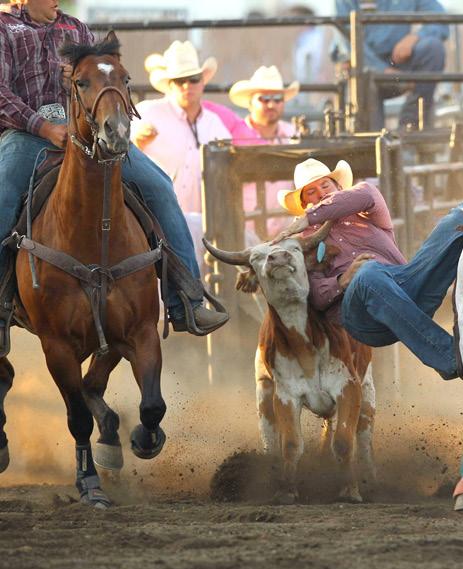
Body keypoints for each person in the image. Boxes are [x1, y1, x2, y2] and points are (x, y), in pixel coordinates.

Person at [0, 0, 227, 351]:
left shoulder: (77, 29)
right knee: (2, 194)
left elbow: (100, 80)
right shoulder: (4, 29)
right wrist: (44, 127)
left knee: (158, 186)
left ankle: (187, 300)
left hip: (89, 133)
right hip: (26, 136)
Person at [275, 158, 463, 379]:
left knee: (457, 219)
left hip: (404, 288)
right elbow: (316, 296)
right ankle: (451, 357)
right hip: (362, 317)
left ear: (339, 188)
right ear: (303, 202)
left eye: (325, 185)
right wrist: (341, 281)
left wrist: (312, 215)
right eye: (311, 192)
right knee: (367, 273)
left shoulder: (364, 210)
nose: (320, 193)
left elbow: (367, 193)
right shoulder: (304, 241)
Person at [131, 40, 232, 268]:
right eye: (180, 81)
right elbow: (118, 155)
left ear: (202, 82)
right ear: (170, 84)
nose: (187, 86)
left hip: (209, 223)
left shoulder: (214, 124)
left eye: (193, 79)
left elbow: (233, 167)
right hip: (158, 222)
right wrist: (136, 142)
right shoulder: (147, 113)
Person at [335, 0, 449, 129]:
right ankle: (370, 138)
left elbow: (441, 19)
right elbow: (347, 40)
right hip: (362, 67)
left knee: (432, 48)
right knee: (370, 135)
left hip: (396, 61)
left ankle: (410, 127)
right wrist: (382, 70)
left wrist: (416, 37)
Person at [229, 65, 299, 240]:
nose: (271, 104)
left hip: (286, 232)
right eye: (264, 98)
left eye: (277, 98)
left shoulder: (294, 134)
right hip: (244, 232)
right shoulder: (233, 136)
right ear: (250, 102)